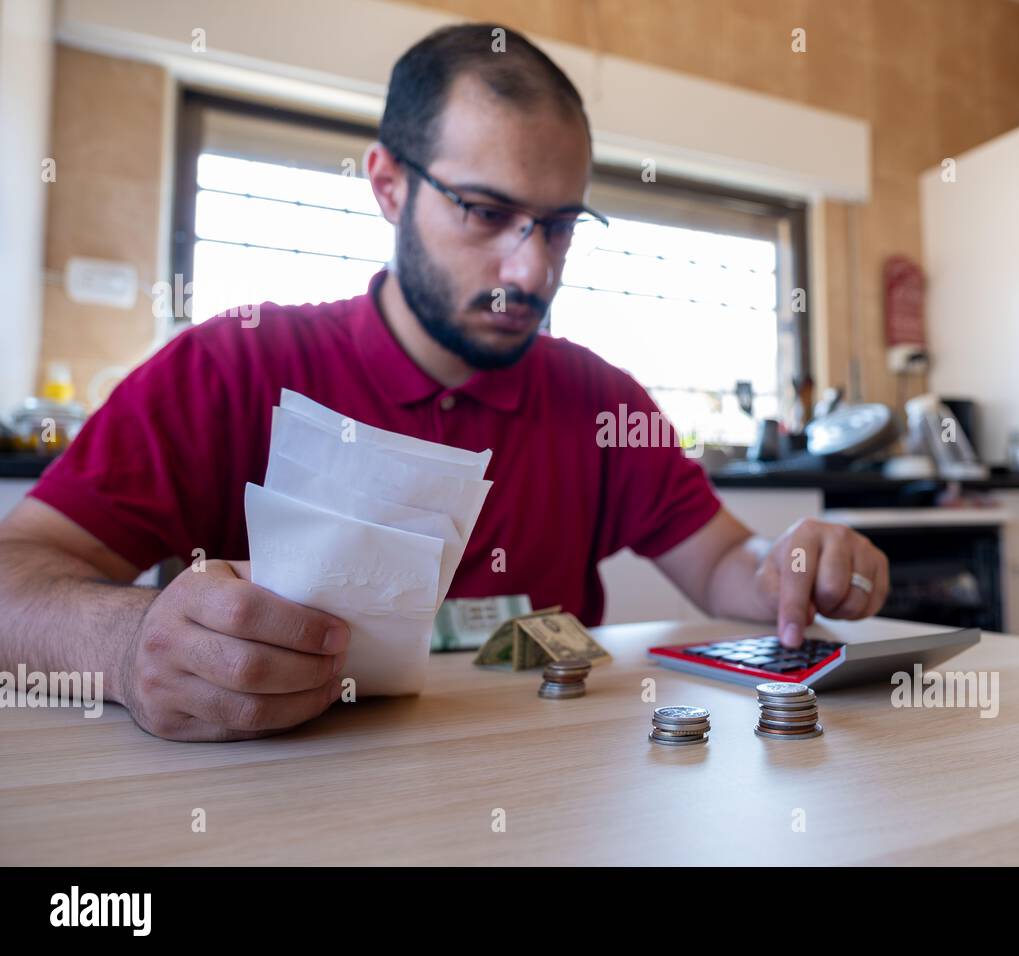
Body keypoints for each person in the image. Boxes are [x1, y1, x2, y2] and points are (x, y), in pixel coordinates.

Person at [0, 23, 888, 741]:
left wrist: (791, 569)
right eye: (487, 212)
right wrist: (124, 643)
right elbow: (14, 579)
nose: (531, 269)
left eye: (560, 226)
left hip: (548, 815)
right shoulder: (229, 366)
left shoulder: (603, 401)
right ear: (388, 184)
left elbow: (726, 563)